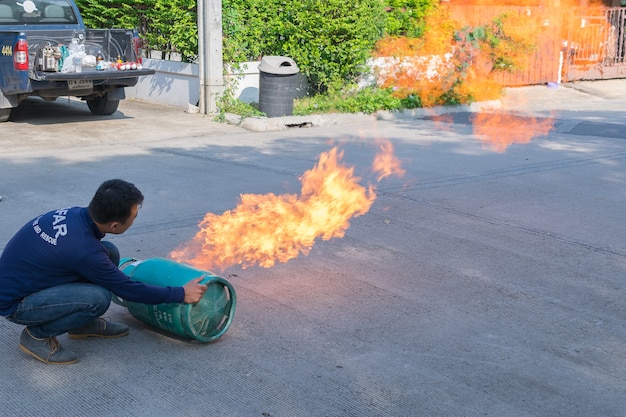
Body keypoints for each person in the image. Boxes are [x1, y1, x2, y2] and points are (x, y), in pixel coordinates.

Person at [0, 179, 208, 365]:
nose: (136, 218)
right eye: (134, 216)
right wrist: (180, 294)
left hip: (27, 282)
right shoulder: (83, 249)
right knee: (97, 299)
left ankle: (80, 324)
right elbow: (128, 290)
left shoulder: (76, 215)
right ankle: (36, 336)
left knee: (108, 252)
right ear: (115, 225)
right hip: (16, 304)